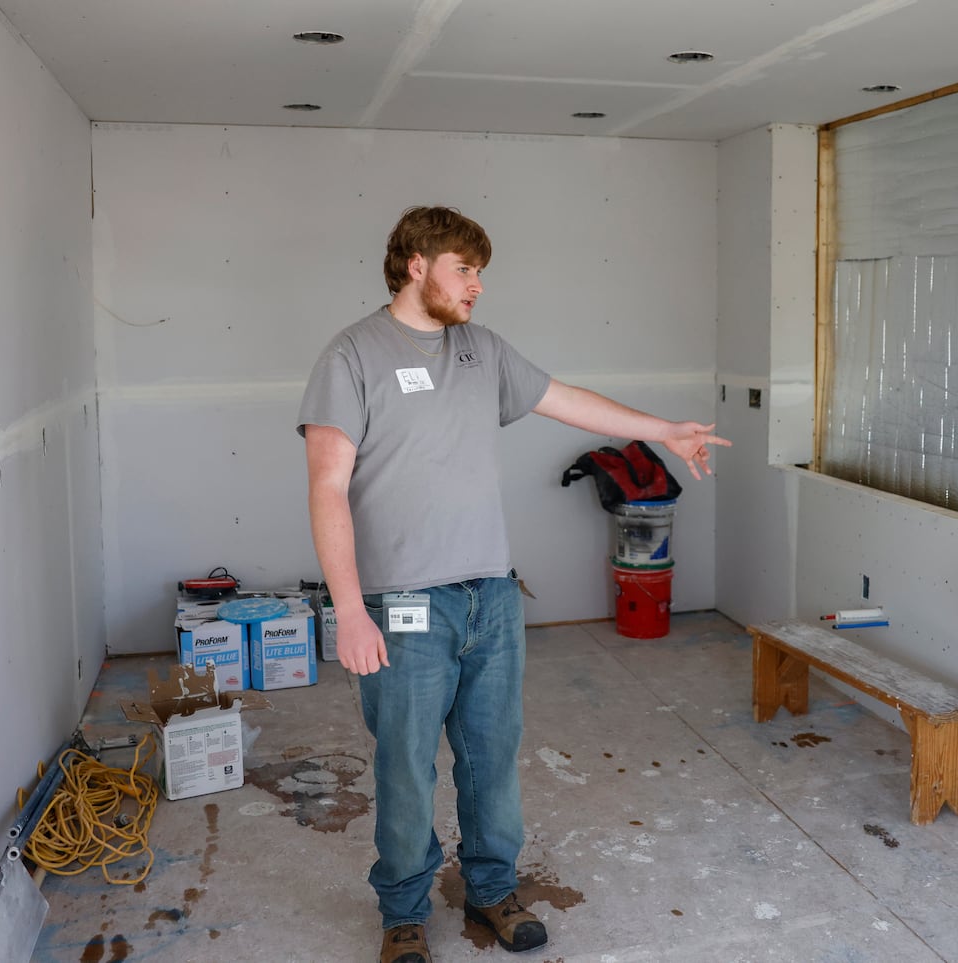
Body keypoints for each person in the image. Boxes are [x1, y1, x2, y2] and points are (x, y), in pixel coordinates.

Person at [296, 206, 729, 963]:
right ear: (416, 265)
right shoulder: (351, 356)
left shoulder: (482, 352)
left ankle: (492, 890)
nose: (478, 285)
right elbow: (328, 487)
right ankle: (403, 913)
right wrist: (349, 611)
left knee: (492, 759)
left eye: (480, 271)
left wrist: (663, 429)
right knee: (405, 766)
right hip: (403, 605)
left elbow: (565, 399)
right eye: (465, 268)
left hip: (491, 597)